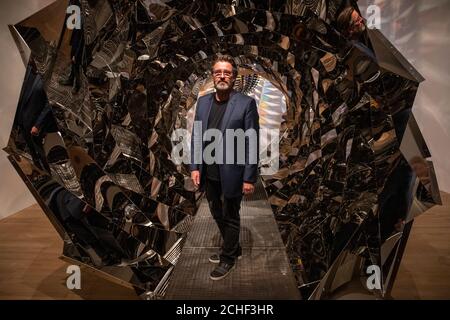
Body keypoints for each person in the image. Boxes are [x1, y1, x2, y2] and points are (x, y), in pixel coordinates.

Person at [190, 54, 260, 280]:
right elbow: (197, 136)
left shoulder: (246, 103)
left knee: (231, 215)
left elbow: (252, 141)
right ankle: (233, 246)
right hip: (208, 171)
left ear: (234, 77)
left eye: (227, 72)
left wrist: (249, 178)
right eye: (218, 72)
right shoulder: (203, 101)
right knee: (215, 210)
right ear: (212, 76)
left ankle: (228, 257)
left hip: (233, 172)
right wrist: (194, 166)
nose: (222, 76)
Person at [14, 59, 58, 171]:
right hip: (22, 122)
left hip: (35, 125)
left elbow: (49, 105)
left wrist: (38, 125)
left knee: (42, 153)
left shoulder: (47, 78)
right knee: (33, 153)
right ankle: (39, 169)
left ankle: (48, 172)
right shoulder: (27, 72)